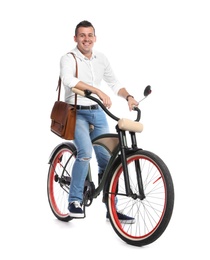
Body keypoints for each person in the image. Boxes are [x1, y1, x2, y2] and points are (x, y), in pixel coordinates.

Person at [60, 20, 139, 224]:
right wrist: (96, 90)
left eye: (90, 35)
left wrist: (128, 96)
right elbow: (69, 80)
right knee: (85, 153)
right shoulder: (68, 58)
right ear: (75, 38)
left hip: (98, 112)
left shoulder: (101, 58)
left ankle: (111, 209)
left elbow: (114, 82)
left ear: (95, 38)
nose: (86, 39)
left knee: (108, 159)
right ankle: (74, 201)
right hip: (76, 113)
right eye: (82, 35)